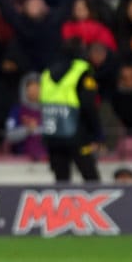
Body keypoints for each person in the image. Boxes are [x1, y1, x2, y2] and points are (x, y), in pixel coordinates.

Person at [39, 38, 103, 183]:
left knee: (61, 182)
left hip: (53, 135)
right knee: (92, 180)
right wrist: (97, 134)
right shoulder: (81, 70)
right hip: (77, 134)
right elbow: (88, 105)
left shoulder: (47, 73)